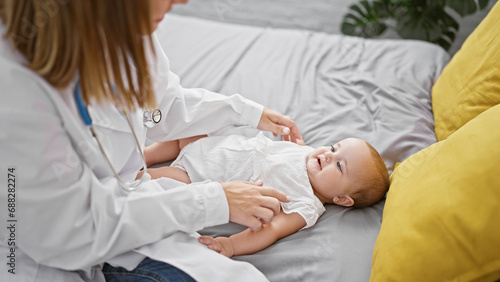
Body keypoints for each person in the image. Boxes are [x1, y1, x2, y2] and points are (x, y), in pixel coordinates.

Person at [0, 1, 304, 281]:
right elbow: (70, 231)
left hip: (127, 214)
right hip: (45, 256)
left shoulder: (125, 27)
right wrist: (213, 201)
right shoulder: (14, 88)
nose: (182, 1)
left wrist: (246, 112)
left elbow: (157, 109)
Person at [142, 132, 390, 257]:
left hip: (201, 173)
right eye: (335, 148)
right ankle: (144, 154)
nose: (328, 154)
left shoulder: (306, 205)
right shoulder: (308, 153)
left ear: (342, 199)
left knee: (155, 178)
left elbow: (271, 230)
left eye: (339, 165)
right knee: (190, 128)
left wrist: (230, 245)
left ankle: (135, 171)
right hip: (217, 143)